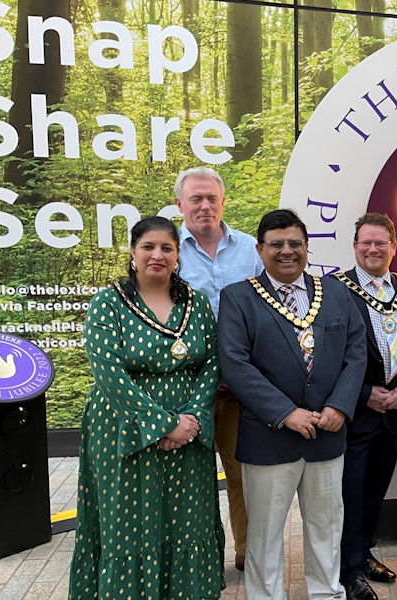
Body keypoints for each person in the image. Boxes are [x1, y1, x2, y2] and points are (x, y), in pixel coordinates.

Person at [69, 216, 224, 599]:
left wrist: (190, 420)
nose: (158, 255)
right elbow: (108, 372)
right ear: (133, 253)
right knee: (129, 519)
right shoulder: (108, 303)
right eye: (148, 247)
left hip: (190, 433)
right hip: (123, 428)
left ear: (177, 255)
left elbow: (211, 364)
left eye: (166, 248)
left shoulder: (197, 303)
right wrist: (164, 424)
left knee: (187, 517)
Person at [217, 209, 367, 600]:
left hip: (328, 433)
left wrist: (340, 405)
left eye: (295, 244)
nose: (287, 252)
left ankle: (326, 593)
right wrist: (285, 413)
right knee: (265, 533)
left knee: (326, 525)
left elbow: (356, 352)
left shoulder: (336, 292)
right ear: (260, 249)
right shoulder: (238, 298)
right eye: (277, 244)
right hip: (269, 439)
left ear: (307, 247)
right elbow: (235, 364)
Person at [334, 213, 397, 600]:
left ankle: (364, 552)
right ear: (355, 246)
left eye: (381, 243)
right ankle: (346, 571)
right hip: (356, 411)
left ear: (394, 246)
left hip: (396, 410)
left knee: (376, 490)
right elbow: (330, 356)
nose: (373, 249)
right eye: (365, 243)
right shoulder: (335, 290)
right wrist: (363, 392)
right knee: (350, 491)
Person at [175, 166, 262, 571]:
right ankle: (199, 557)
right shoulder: (167, 250)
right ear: (180, 205)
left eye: (212, 198)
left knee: (242, 473)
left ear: (223, 201)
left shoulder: (250, 250)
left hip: (238, 386)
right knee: (190, 480)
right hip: (185, 388)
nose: (205, 206)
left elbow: (268, 313)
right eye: (196, 199)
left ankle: (248, 551)